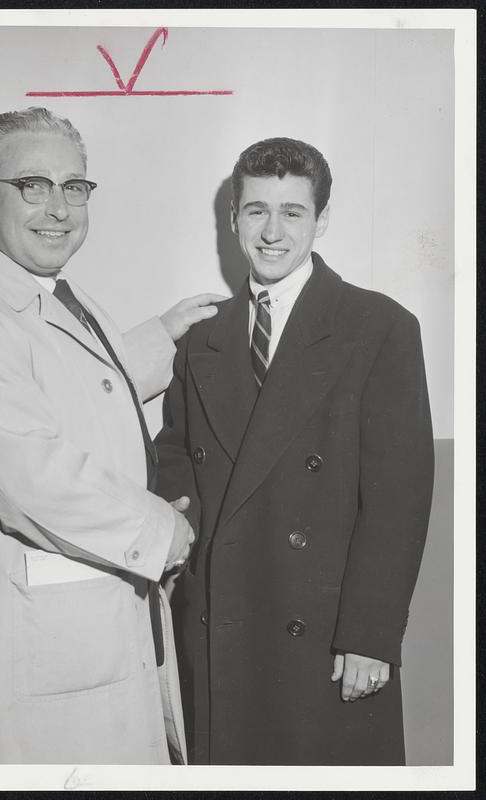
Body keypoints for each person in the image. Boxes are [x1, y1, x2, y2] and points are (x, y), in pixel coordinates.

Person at [0, 107, 223, 764]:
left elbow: (69, 388)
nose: (59, 208)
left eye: (74, 187)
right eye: (33, 186)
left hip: (88, 638)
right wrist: (168, 533)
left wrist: (162, 335)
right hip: (32, 660)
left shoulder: (48, 296)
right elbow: (37, 480)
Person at [154, 137, 435, 765]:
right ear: (233, 220)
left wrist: (370, 635)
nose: (273, 231)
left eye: (293, 211)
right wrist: (181, 541)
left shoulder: (379, 326)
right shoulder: (203, 335)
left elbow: (399, 499)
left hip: (329, 631)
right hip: (220, 625)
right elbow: (175, 454)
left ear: (322, 220)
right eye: (256, 211)